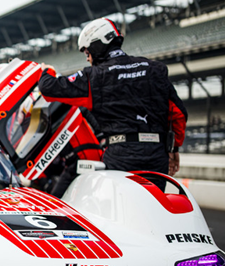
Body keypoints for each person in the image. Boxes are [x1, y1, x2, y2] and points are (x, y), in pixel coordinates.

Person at [38, 17, 187, 181]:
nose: (87, 58)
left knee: (121, 206)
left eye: (87, 53)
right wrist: (174, 148)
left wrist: (47, 71)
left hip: (121, 157)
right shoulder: (155, 69)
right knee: (153, 204)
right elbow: (179, 113)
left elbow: (48, 88)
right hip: (156, 156)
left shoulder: (94, 77)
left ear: (96, 46)